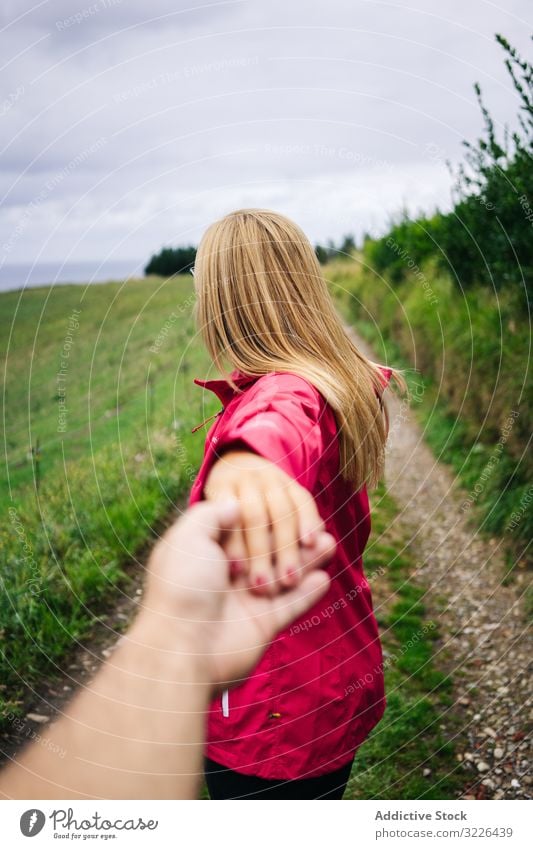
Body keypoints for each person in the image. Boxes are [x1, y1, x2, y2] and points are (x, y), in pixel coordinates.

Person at [190, 208, 405, 799]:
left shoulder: (284, 394)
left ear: (225, 300)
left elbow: (279, 428)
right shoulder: (332, 380)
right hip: (325, 687)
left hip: (270, 716)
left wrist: (245, 464)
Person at [0, 500, 335, 800]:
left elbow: (268, 437)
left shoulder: (252, 432)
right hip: (328, 692)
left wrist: (242, 458)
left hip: (268, 722)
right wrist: (182, 638)